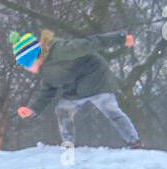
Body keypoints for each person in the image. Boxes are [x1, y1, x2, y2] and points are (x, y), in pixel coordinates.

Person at [10, 28, 141, 147]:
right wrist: (33, 109)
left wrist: (121, 38)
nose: (27, 69)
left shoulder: (61, 50)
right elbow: (47, 90)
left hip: (96, 78)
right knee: (63, 110)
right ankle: (68, 144)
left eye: (27, 65)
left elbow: (90, 43)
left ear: (34, 58)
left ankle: (134, 141)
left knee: (110, 109)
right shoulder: (44, 70)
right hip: (75, 88)